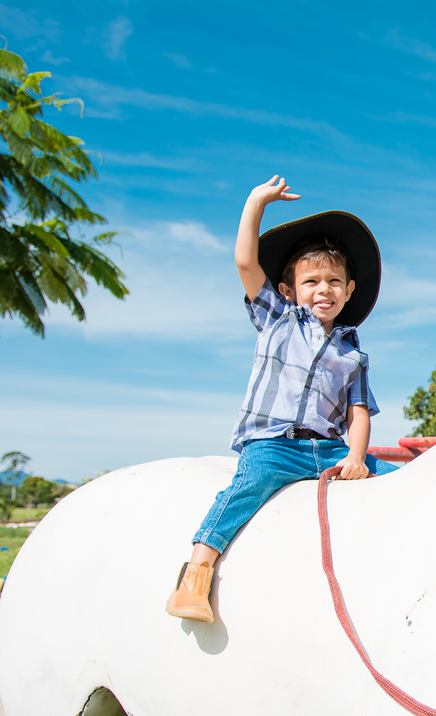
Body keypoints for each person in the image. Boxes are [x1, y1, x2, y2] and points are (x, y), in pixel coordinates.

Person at [166, 176, 396, 623]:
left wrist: (356, 456)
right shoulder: (277, 318)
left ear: (349, 291)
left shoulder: (353, 352)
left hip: (328, 448)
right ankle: (195, 575)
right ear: (289, 289)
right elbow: (244, 261)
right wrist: (256, 202)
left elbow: (359, 414)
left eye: (334, 280)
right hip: (275, 442)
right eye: (311, 281)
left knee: (398, 476)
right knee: (248, 486)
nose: (323, 289)